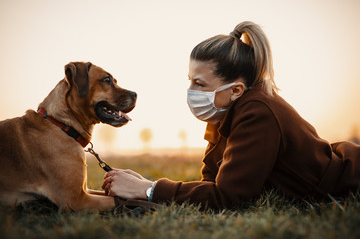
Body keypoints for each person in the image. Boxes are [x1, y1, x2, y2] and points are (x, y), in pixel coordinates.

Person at [102, 21, 360, 209]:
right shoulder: (223, 114)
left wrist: (149, 190)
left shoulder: (258, 112)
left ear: (235, 89)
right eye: (190, 81)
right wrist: (147, 185)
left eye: (200, 84)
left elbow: (227, 197)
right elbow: (211, 181)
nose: (190, 91)